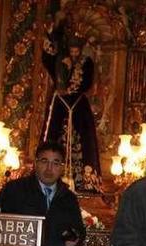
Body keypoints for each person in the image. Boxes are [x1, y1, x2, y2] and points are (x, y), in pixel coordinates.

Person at [0, 141, 85, 246]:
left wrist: (74, 240)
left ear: (62, 168)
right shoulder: (14, 189)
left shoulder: (69, 197)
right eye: (44, 161)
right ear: (36, 163)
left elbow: (79, 232)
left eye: (55, 163)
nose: (49, 168)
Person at [42, 21, 100, 190]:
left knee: (83, 140)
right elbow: (47, 60)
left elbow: (87, 82)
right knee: (54, 137)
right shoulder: (60, 62)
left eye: (77, 49)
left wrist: (73, 88)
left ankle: (84, 183)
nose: (74, 52)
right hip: (60, 105)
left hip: (78, 105)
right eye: (72, 49)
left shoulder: (86, 62)